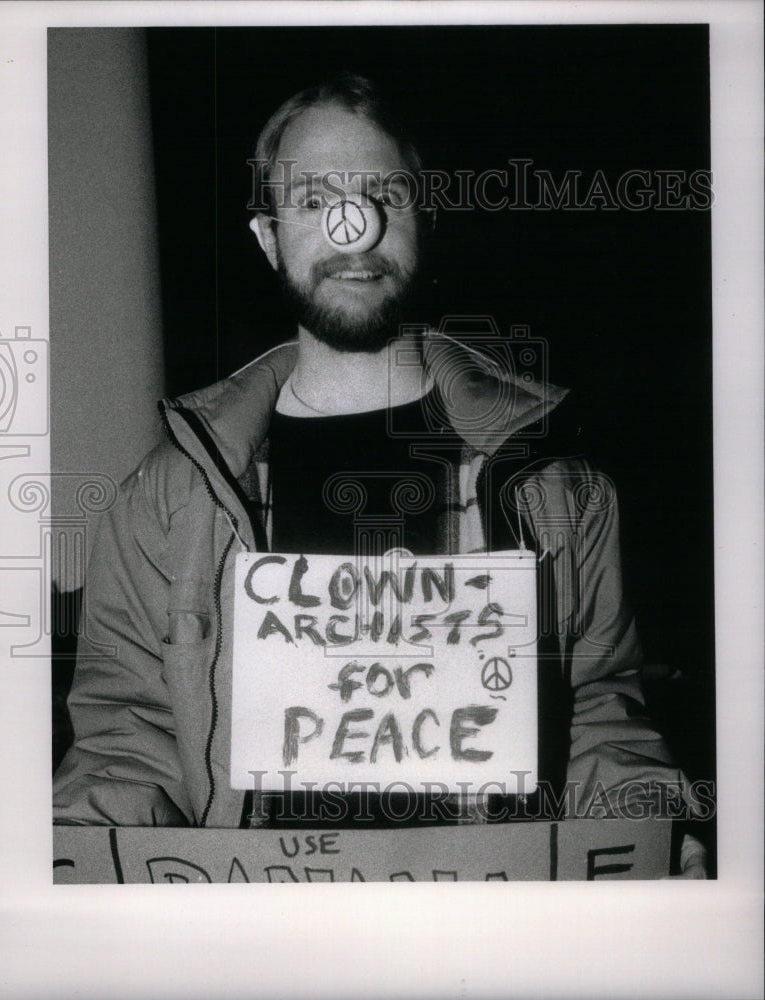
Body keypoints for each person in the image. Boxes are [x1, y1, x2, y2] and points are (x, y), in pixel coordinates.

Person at [53, 73, 705, 875]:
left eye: (382, 195)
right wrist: (75, 864)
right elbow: (125, 743)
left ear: (423, 220)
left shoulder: (556, 487)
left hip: (483, 934)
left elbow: (603, 714)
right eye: (315, 197)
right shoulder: (167, 499)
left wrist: (660, 832)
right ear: (268, 236)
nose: (353, 230)